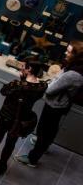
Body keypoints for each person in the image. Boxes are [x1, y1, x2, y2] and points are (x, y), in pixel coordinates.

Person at [16, 40, 83, 168]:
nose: (65, 53)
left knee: (44, 130)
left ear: (76, 55)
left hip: (55, 105)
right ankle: (44, 144)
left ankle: (32, 158)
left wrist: (40, 83)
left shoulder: (73, 74)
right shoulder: (75, 67)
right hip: (59, 104)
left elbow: (50, 89)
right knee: (50, 128)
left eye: (68, 52)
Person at [0, 59, 47, 176]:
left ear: (29, 69)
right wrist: (24, 80)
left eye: (23, 66)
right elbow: (30, 92)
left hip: (6, 116)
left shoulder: (16, 84)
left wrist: (22, 80)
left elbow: (3, 91)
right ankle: (1, 167)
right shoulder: (42, 86)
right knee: (10, 144)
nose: (21, 68)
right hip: (21, 119)